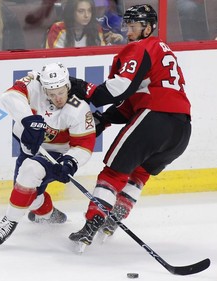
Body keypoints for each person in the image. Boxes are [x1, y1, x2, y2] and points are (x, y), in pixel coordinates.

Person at [67, 4, 192, 251]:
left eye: (133, 26)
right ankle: (114, 218)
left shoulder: (140, 48)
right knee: (140, 173)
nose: (128, 32)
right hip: (182, 129)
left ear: (148, 28)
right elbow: (132, 100)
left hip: (155, 118)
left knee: (112, 174)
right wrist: (105, 120)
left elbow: (116, 90)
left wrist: (82, 87)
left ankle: (91, 226)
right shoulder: (162, 51)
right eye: (127, 26)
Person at [0, 62, 96, 246]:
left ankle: (8, 221)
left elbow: (84, 144)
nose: (58, 98)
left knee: (30, 171)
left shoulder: (78, 108)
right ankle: (49, 214)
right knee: (28, 197)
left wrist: (71, 161)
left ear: (68, 85)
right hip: (31, 148)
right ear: (45, 89)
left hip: (57, 155)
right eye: (52, 94)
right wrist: (29, 119)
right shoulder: (35, 85)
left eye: (61, 92)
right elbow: (9, 96)